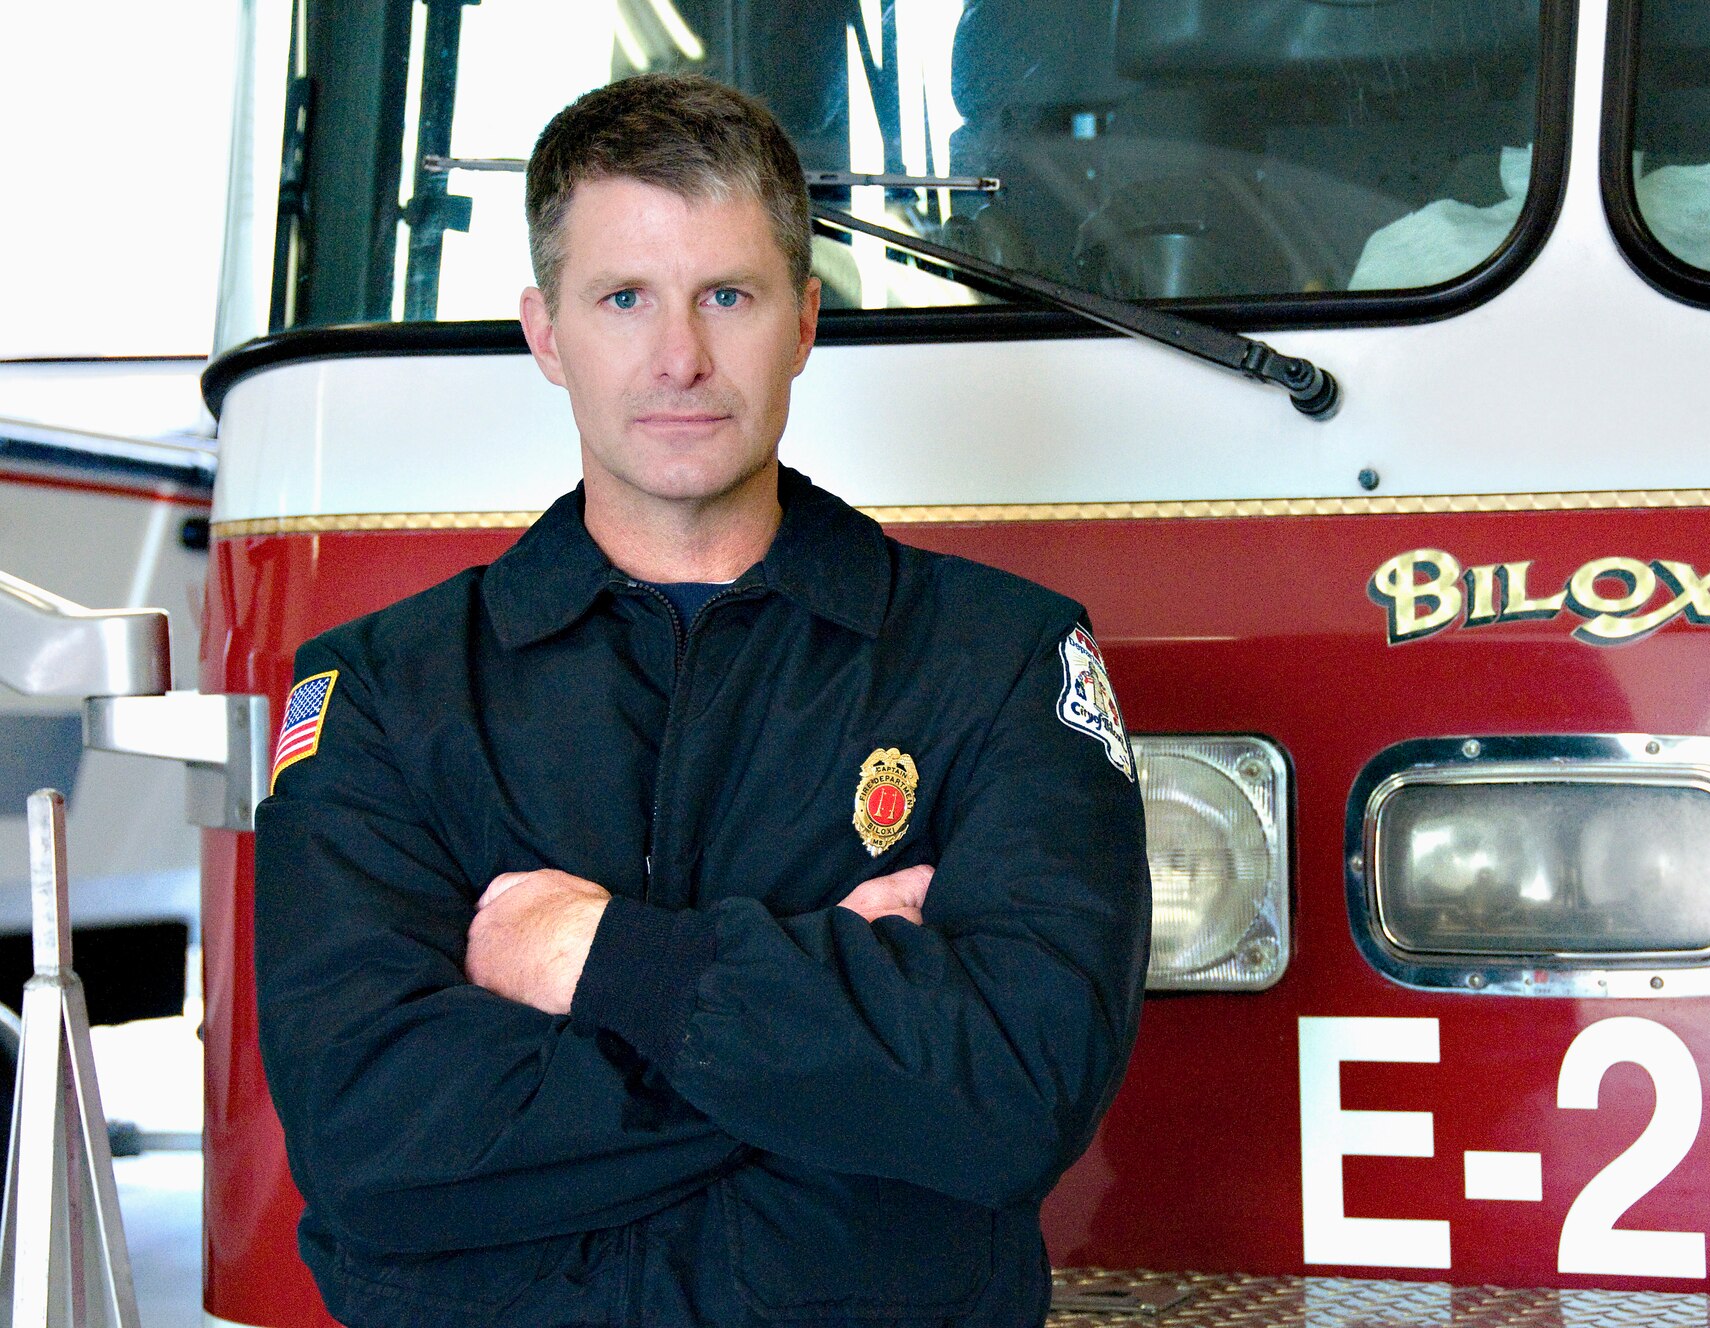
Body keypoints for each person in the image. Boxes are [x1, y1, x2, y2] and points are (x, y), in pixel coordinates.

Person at [252, 73, 1151, 1328]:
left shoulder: (997, 661)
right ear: (546, 332)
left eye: (727, 294)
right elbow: (371, 1139)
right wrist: (823, 1040)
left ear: (801, 322)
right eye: (623, 298)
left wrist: (589, 956)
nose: (679, 356)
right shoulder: (384, 693)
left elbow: (1017, 1094)